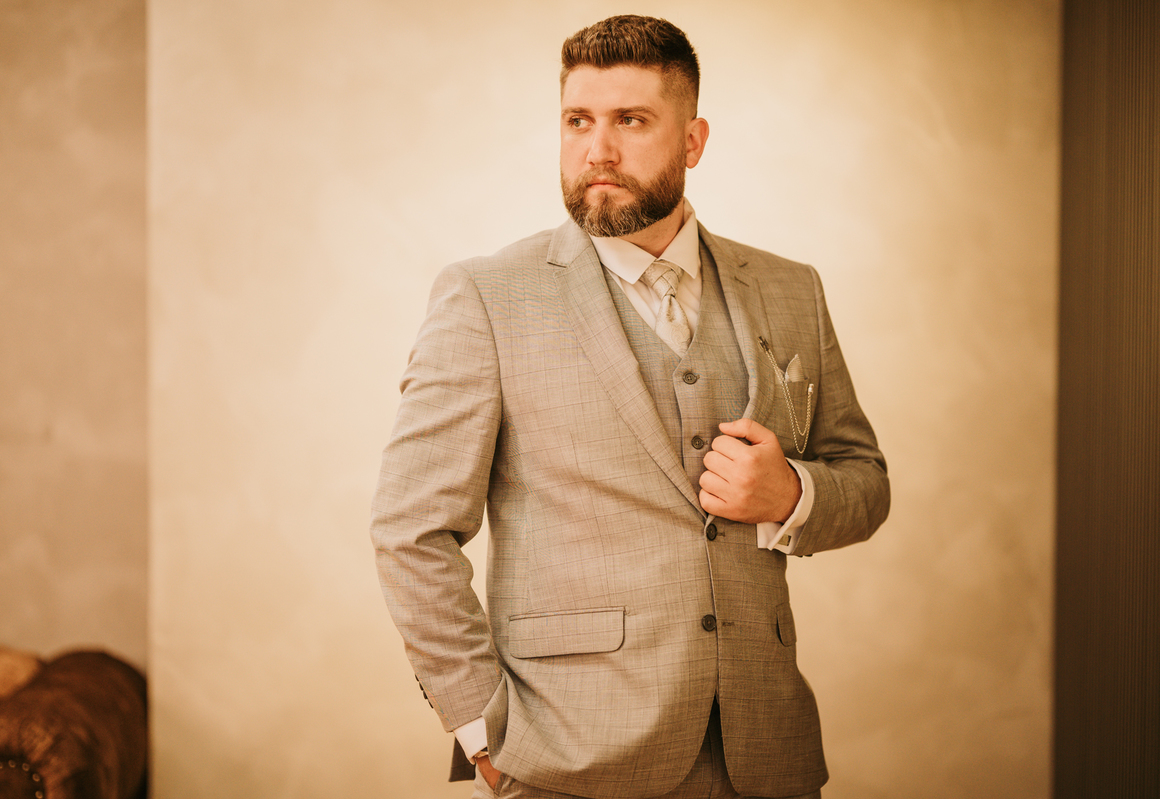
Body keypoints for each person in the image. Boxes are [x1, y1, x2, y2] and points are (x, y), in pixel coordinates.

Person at [371, 14, 889, 799]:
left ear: (693, 140)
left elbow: (866, 480)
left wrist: (793, 493)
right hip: (565, 759)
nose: (597, 150)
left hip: (766, 759)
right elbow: (410, 529)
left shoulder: (791, 290)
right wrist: (482, 730)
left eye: (631, 121)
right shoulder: (486, 296)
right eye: (578, 120)